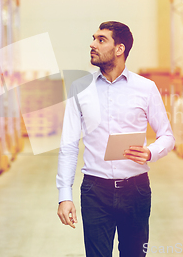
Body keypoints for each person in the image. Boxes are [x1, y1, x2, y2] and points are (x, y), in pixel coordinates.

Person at [56, 21, 175, 257]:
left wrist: (151, 151)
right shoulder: (80, 88)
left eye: (101, 40)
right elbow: (68, 146)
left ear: (119, 49)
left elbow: (167, 136)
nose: (92, 44)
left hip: (136, 190)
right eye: (93, 38)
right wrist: (64, 196)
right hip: (95, 191)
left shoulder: (145, 88)